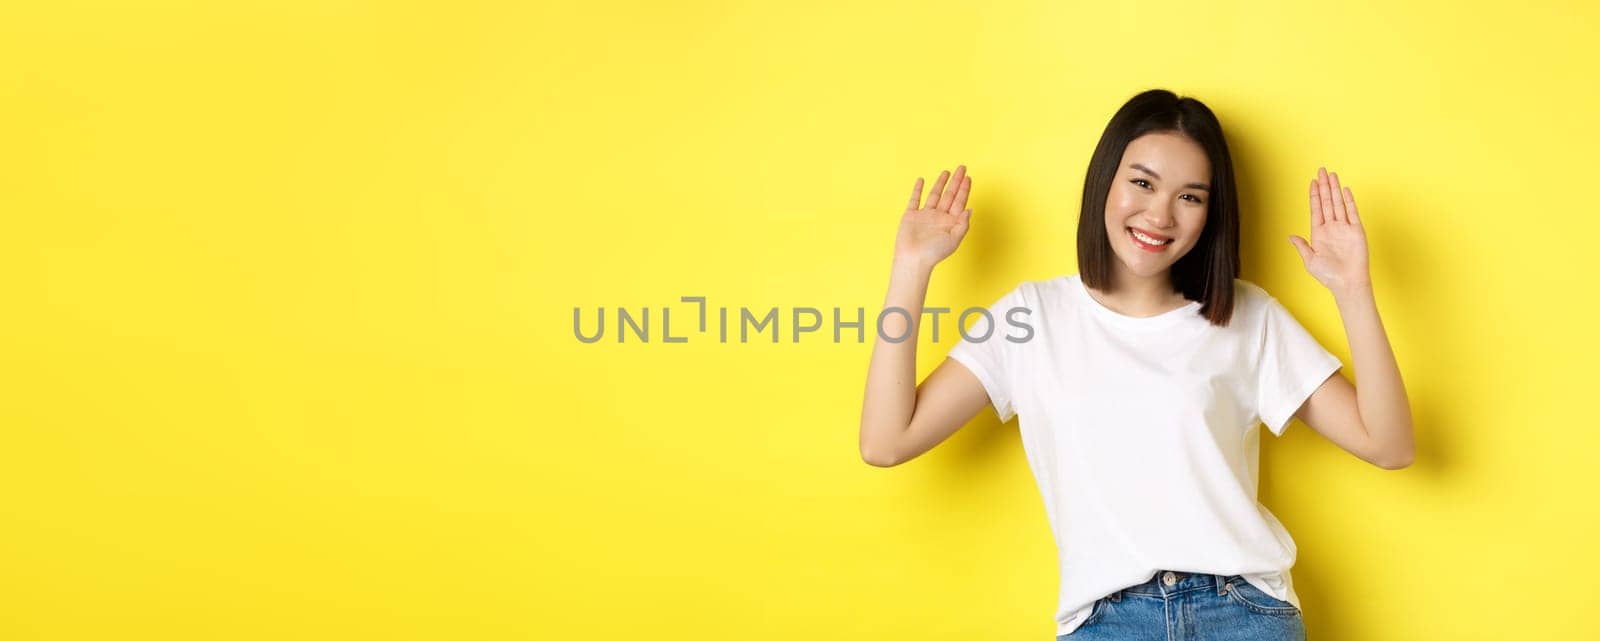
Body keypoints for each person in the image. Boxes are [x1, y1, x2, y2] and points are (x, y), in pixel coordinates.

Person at [857, 89, 1415, 640]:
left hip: (1243, 614)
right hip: (1106, 621)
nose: (1160, 214)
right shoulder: (1031, 317)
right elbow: (886, 442)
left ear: (1210, 214)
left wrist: (1353, 289)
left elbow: (1388, 445)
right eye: (1142, 183)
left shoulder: (1247, 317)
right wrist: (911, 269)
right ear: (1107, 180)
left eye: (1190, 197)